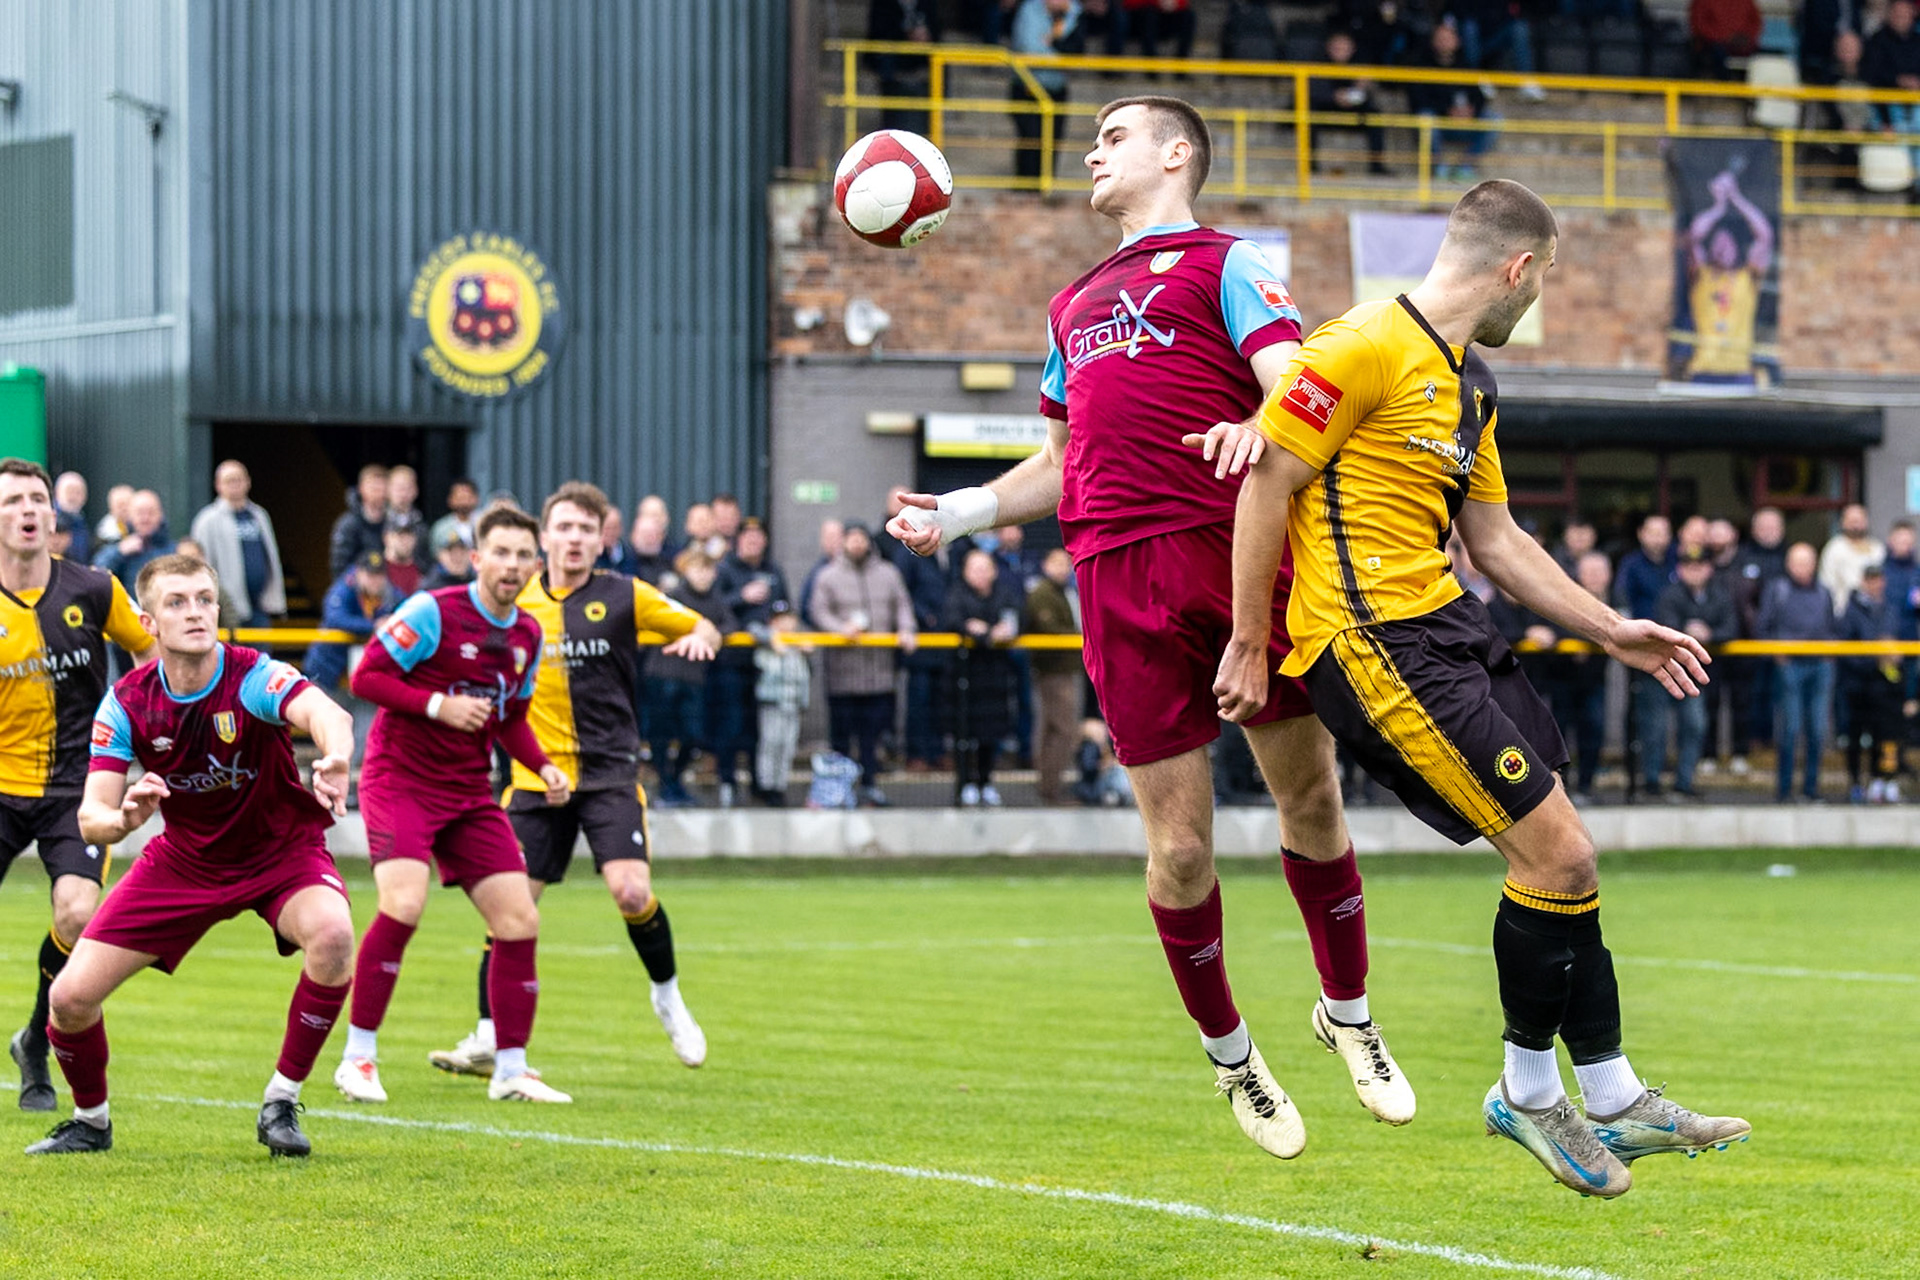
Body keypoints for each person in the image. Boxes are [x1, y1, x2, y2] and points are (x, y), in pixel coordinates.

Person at [889, 95, 1414, 1159]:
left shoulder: (1229, 264)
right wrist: (957, 510)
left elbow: (1295, 389)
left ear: (1177, 155)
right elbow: (1057, 463)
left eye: (1115, 135)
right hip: (1116, 578)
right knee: (1178, 847)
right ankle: (1233, 1058)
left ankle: (1348, 1014)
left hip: (1236, 560)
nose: (1092, 148)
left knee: (1308, 797)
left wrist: (1251, 423)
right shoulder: (1069, 304)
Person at [1218, 179, 1748, 1197]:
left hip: (1455, 632)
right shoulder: (1357, 345)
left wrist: (1609, 628)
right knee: (1562, 851)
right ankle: (1529, 1090)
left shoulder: (1470, 386)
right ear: (1518, 268)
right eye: (1540, 281)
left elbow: (1497, 539)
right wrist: (1248, 642)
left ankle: (1612, 1089)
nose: (1535, 300)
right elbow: (1266, 481)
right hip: (1372, 643)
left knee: (1566, 862)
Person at [31, 554, 357, 1156]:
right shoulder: (125, 703)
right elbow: (91, 817)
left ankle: (281, 1102)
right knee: (69, 1000)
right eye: (177, 603)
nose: (196, 613)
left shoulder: (253, 676)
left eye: (205, 599)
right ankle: (90, 1122)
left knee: (334, 936)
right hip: (184, 862)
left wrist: (335, 753)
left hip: (280, 853)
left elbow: (324, 711)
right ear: (149, 624)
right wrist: (123, 818)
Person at [430, 483, 722, 1080]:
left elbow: (707, 628)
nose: (575, 539)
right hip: (537, 779)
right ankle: (489, 1036)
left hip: (610, 772)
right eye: (564, 528)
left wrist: (698, 637)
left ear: (600, 538)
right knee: (509, 911)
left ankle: (667, 997)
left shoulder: (625, 595)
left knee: (631, 893)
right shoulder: (514, 603)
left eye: (587, 529)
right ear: (545, 537)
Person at [333, 507, 575, 1105]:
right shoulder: (434, 610)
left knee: (519, 920)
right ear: (477, 558)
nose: (512, 566)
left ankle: (510, 1070)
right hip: (402, 781)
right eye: (502, 553)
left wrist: (541, 765)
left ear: (535, 565)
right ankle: (358, 1058)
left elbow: (510, 719)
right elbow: (367, 678)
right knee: (404, 905)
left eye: (524, 556)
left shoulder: (527, 635)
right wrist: (439, 706)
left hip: (468, 792)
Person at [0, 460, 156, 1114]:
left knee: (77, 913)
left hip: (76, 788)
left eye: (38, 499)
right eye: (13, 501)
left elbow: (155, 652)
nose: (29, 510)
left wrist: (151, 731)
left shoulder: (95, 588)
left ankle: (35, 1040)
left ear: (53, 515)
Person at [809, 522, 917, 806]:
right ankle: (839, 790)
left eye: (861, 539)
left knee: (872, 738)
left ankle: (869, 786)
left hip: (879, 673)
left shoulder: (888, 573)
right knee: (842, 738)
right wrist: (839, 628)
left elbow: (903, 605)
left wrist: (907, 629)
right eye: (852, 539)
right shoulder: (828, 576)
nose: (857, 544)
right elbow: (818, 611)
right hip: (842, 675)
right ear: (844, 542)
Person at [648, 550, 736, 807]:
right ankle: (665, 785)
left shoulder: (717, 601)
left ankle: (674, 781)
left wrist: (707, 635)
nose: (702, 575)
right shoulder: (673, 596)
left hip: (693, 677)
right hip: (663, 673)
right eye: (698, 569)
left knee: (693, 735)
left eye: (707, 570)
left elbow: (731, 625)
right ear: (686, 571)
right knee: (660, 734)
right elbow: (658, 619)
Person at [942, 549, 1023, 806]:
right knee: (965, 735)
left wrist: (997, 630)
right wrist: (987, 634)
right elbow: (953, 620)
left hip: (996, 677)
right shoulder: (957, 593)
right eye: (974, 568)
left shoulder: (1005, 593)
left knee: (991, 734)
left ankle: (985, 782)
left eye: (985, 568)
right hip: (964, 678)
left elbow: (1018, 618)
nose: (980, 574)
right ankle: (965, 783)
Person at [1757, 543, 1836, 803]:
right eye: (1797, 562)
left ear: (1815, 564)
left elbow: (1833, 627)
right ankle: (1785, 790)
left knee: (1817, 730)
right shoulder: (1777, 589)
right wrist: (1777, 654)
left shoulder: (1824, 592)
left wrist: (1828, 653)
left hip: (1820, 666)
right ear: (1788, 564)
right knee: (1790, 729)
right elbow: (1762, 627)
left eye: (1807, 561)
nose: (1802, 568)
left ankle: (1811, 789)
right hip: (1790, 666)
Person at [1655, 548, 1735, 797]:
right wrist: (1689, 633)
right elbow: (1664, 625)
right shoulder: (1670, 594)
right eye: (1689, 565)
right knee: (1655, 729)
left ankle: (1684, 782)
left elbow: (1731, 628)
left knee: (1695, 725)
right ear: (1680, 569)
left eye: (1700, 565)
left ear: (1709, 568)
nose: (1695, 570)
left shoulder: (1719, 595)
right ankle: (1651, 782)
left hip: (1697, 673)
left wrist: (1709, 634)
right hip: (1664, 669)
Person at [1683, 168, 1774, 385]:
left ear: (1737, 249)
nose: (1723, 246)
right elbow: (1693, 237)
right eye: (1718, 241)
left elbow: (1765, 236)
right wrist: (1718, 207)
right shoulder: (1701, 276)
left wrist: (1736, 197)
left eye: (1728, 241)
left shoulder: (1747, 277)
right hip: (1703, 371)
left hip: (1739, 372)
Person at [189, 461, 287, 628]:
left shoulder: (259, 515)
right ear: (218, 485)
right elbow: (200, 565)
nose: (235, 485)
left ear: (248, 482)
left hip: (260, 607)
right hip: (226, 610)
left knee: (259, 654)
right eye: (229, 480)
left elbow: (271, 558)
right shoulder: (207, 520)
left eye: (239, 479)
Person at [1837, 563, 1905, 803]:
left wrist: (1891, 657)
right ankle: (1856, 782)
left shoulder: (1889, 609)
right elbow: (1846, 648)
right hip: (1857, 685)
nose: (1876, 584)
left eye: (1879, 579)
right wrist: (1873, 658)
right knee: (1855, 737)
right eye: (1872, 579)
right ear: (1864, 581)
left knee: (1883, 735)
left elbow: (1896, 641)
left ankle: (1880, 779)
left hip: (1883, 686)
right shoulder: (1852, 609)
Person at [1023, 546, 1083, 805]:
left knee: (1054, 728)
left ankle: (1050, 785)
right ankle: (1050, 788)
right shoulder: (1042, 593)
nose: (1063, 568)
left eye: (1065, 563)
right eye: (1057, 563)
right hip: (1053, 671)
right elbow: (1051, 629)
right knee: (1061, 729)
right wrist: (1084, 638)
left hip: (1066, 668)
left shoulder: (1066, 592)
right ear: (1045, 565)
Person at [1556, 552, 1613, 802]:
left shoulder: (1615, 601)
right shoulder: (1566, 598)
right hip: (1563, 678)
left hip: (1595, 680)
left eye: (1599, 571)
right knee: (1560, 733)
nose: (1595, 577)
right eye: (1589, 572)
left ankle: (1586, 785)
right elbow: (1553, 624)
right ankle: (1563, 788)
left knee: (1594, 729)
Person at [1009, 0, 1085, 181]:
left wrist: (1068, 16)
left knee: (1053, 143)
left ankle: (1044, 189)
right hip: (1028, 88)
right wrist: (1061, 59)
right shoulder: (1029, 10)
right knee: (1031, 142)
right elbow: (1030, 49)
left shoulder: (1072, 12)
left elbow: (1077, 50)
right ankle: (1025, 190)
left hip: (1057, 90)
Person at [1408, 22, 1494, 183]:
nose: (1444, 42)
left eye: (1448, 38)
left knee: (1494, 120)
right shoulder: (1423, 65)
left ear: (1457, 41)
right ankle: (1440, 166)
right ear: (1433, 41)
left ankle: (1466, 167)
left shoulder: (1466, 64)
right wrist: (1447, 110)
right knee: (1425, 118)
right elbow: (1418, 100)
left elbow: (1480, 96)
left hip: (1466, 122)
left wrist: (1471, 111)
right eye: (1440, 38)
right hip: (1440, 124)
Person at [303, 552, 396, 696]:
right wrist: (374, 626)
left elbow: (406, 609)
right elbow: (335, 619)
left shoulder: (389, 592)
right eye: (370, 575)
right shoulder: (344, 587)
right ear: (359, 572)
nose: (375, 581)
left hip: (361, 673)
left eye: (379, 575)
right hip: (327, 669)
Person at [753, 604, 813, 805]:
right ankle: (767, 786)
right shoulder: (769, 639)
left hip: (793, 703)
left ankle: (780, 786)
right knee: (771, 744)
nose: (785, 624)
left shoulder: (797, 642)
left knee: (787, 746)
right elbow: (752, 628)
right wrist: (771, 637)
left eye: (788, 618)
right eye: (780, 619)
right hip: (773, 702)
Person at [1864, 0, 1920, 193]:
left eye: (1905, 15)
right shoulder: (1877, 41)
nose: (1901, 18)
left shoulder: (1917, 42)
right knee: (1898, 138)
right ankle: (1906, 185)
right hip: (1887, 106)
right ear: (1889, 15)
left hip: (1916, 104)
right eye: (1897, 14)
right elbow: (1872, 76)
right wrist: (1899, 80)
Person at [91, 489, 173, 596]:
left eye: (151, 513)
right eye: (140, 513)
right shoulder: (117, 546)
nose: (145, 518)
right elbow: (96, 573)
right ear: (130, 516)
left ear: (160, 515)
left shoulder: (173, 550)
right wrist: (120, 551)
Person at [1818, 503, 1883, 616]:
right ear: (1843, 522)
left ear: (1866, 521)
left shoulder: (1877, 548)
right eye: (1852, 521)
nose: (1856, 526)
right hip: (1843, 613)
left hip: (1873, 614)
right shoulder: (1834, 548)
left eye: (1859, 521)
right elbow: (1826, 584)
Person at [329, 464, 389, 580]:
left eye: (382, 488)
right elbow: (339, 566)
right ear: (361, 489)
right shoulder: (348, 524)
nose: (379, 493)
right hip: (356, 588)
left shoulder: (394, 522)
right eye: (374, 488)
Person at [1690, 0, 1761, 78]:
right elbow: (1700, 25)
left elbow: (1755, 21)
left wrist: (1747, 37)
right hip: (1713, 45)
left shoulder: (1746, 2)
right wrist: (1725, 37)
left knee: (1761, 58)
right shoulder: (1702, 2)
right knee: (1718, 55)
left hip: (1742, 43)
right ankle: (1724, 85)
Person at [428, 477, 480, 557]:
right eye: (459, 497)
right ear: (450, 500)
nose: (463, 502)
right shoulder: (441, 528)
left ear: (476, 499)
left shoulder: (484, 524)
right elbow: (435, 555)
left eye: (467, 497)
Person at [381, 512, 425, 598]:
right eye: (400, 535)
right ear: (386, 538)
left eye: (409, 536)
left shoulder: (423, 570)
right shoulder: (375, 569)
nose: (405, 541)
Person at [53, 471, 90, 563]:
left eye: (78, 493)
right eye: (69, 491)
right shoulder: (50, 518)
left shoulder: (80, 520)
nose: (73, 497)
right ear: (57, 492)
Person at [423, 525, 475, 590]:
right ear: (439, 556)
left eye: (462, 550)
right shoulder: (430, 589)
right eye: (451, 551)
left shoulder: (477, 582)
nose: (458, 557)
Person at [597, 503, 637, 575]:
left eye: (615, 528)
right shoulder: (593, 556)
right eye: (607, 528)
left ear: (621, 529)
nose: (611, 532)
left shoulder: (630, 555)